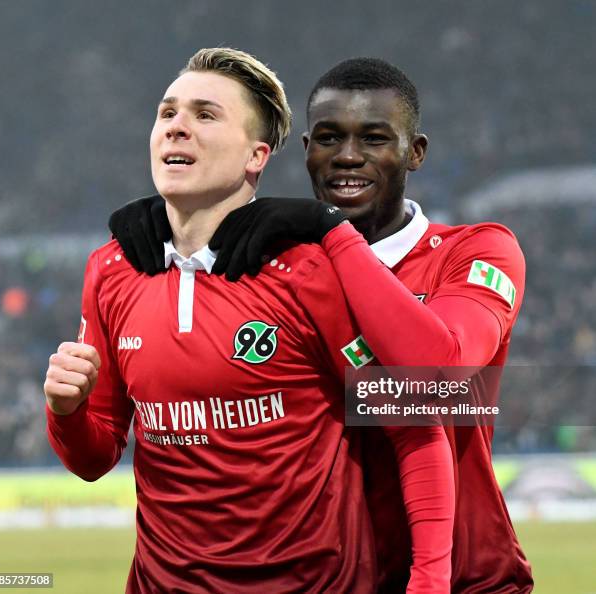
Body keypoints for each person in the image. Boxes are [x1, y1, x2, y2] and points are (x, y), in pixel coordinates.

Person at [110, 57, 534, 592]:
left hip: (464, 574)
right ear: (308, 151)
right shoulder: (285, 267)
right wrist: (170, 232)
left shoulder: (474, 251)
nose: (349, 157)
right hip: (334, 575)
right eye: (330, 139)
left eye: (375, 139)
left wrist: (328, 229)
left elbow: (438, 372)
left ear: (415, 152)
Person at [44, 49, 455, 594]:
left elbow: (417, 425)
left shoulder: (308, 271)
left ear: (256, 156)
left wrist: (430, 581)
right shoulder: (111, 269)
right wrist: (66, 411)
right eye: (167, 113)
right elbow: (95, 458)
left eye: (205, 115)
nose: (177, 128)